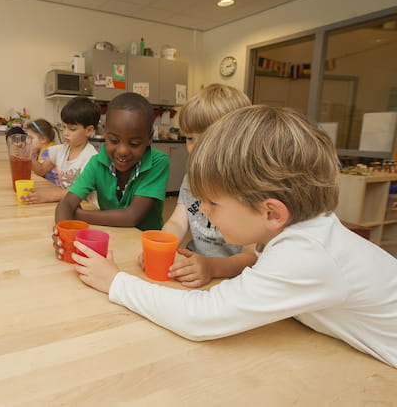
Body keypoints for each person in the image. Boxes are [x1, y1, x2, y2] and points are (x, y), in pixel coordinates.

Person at [71, 105, 397, 368]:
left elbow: (201, 318)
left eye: (214, 203)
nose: (205, 212)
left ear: (272, 213)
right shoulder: (302, 230)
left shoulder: (307, 253)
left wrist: (116, 282)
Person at [159, 84, 256, 288]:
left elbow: (251, 257)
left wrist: (212, 267)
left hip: (232, 280)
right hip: (195, 268)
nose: (195, 148)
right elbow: (177, 222)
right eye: (190, 138)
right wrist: (162, 248)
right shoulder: (191, 178)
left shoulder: (250, 188)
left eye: (207, 138)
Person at [54, 92, 169, 236]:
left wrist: (78, 215)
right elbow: (66, 203)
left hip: (143, 243)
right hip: (109, 234)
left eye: (134, 144)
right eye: (114, 140)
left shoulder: (158, 162)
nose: (122, 151)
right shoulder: (97, 163)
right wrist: (62, 232)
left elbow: (131, 217)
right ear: (105, 133)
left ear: (149, 138)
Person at [22, 97, 100, 205]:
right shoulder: (61, 150)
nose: (66, 133)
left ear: (89, 130)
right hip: (67, 204)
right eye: (64, 127)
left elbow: (80, 192)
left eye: (72, 129)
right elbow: (41, 170)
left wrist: (48, 195)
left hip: (86, 207)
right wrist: (26, 154)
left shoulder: (92, 158)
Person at [27, 118, 59, 185]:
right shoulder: (40, 151)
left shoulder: (47, 152)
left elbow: (39, 172)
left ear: (43, 139)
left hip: (53, 186)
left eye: (30, 138)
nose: (27, 141)